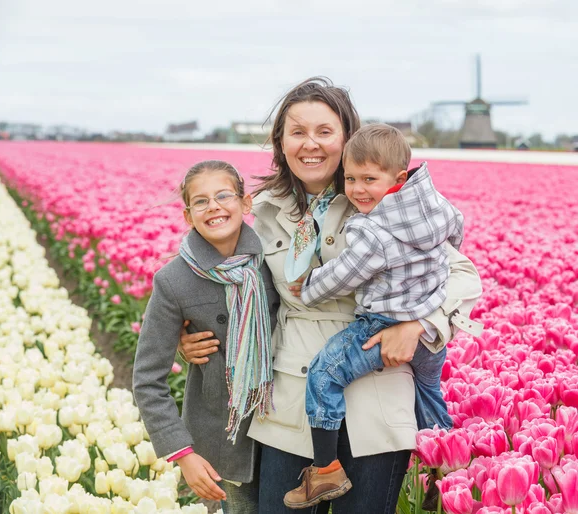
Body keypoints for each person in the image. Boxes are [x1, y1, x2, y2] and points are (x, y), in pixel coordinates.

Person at [179, 77, 483, 514]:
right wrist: (188, 335)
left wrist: (420, 326)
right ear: (280, 142)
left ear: (347, 137)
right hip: (289, 398)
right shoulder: (261, 212)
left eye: (325, 132)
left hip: (375, 395)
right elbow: (220, 281)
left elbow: (463, 274)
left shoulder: (381, 199)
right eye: (297, 132)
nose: (311, 145)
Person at [282, 123, 482, 509]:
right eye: (351, 178)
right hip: (430, 338)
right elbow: (456, 232)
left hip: (383, 326)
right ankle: (446, 473)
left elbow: (343, 275)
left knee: (324, 373)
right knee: (428, 393)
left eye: (369, 179)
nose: (357, 189)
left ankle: (324, 471)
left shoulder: (373, 230)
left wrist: (308, 286)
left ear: (399, 177)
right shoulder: (435, 208)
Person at [133, 160, 280, 514]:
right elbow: (147, 379)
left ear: (246, 204)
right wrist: (183, 453)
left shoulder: (275, 262)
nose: (213, 206)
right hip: (221, 441)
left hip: (283, 428)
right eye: (201, 201)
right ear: (188, 215)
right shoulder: (174, 280)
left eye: (223, 195)